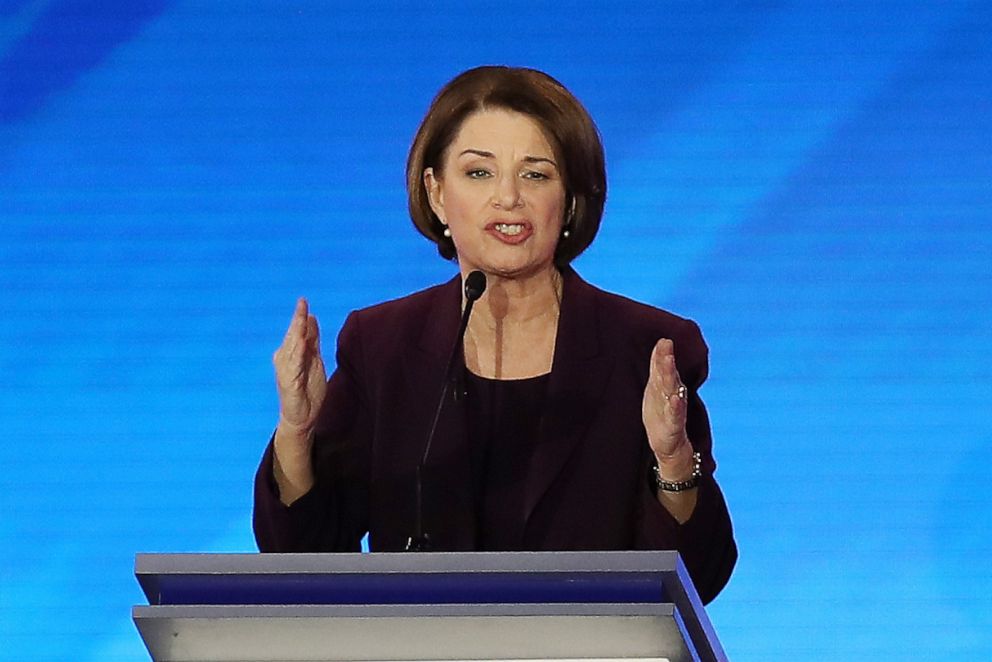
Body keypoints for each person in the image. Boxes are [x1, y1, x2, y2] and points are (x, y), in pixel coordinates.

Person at [253, 66, 737, 603]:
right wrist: (297, 434)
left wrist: (673, 462)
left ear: (571, 199)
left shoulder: (649, 349)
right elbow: (302, 557)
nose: (509, 198)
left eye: (536, 174)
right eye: (480, 173)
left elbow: (701, 577)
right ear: (436, 193)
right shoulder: (382, 346)